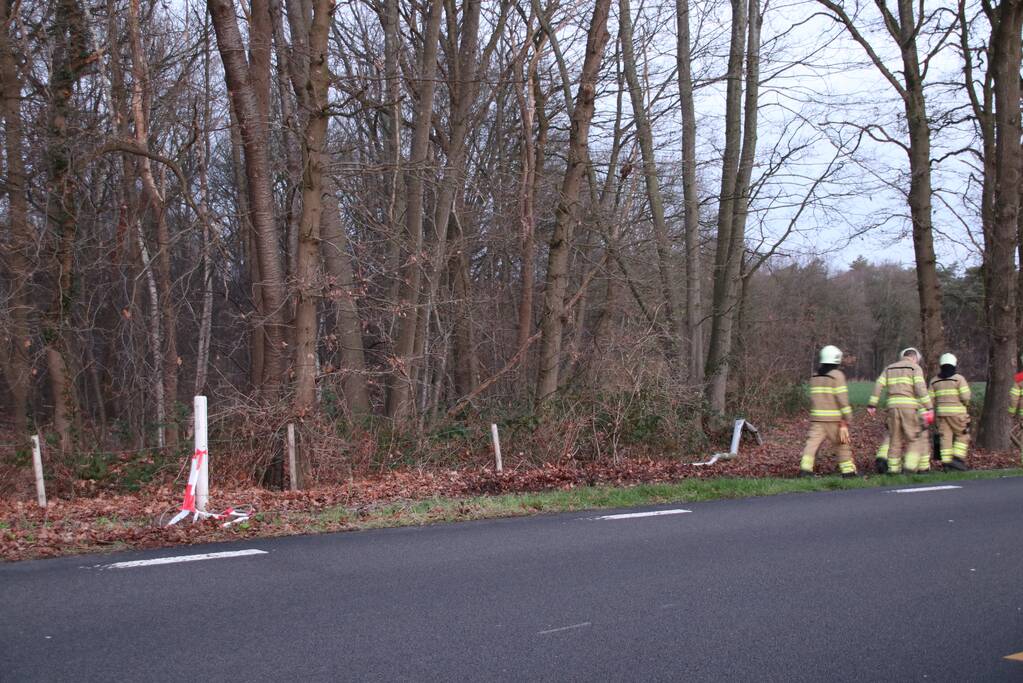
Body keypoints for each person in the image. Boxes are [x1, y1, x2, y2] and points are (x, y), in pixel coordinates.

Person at [868, 347, 934, 474]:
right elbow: (920, 388)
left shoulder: (889, 368)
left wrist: (872, 404)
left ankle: (893, 470)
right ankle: (909, 467)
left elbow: (878, 385)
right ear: (914, 358)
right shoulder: (915, 368)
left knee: (894, 439)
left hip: (892, 408)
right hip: (909, 408)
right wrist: (929, 407)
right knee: (914, 438)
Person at [799, 345, 856, 478]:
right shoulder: (837, 376)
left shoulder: (815, 377)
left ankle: (805, 470)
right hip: (834, 420)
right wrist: (848, 417)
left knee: (811, 445)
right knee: (842, 445)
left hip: (817, 419)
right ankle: (848, 472)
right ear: (836, 359)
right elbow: (842, 400)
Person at [929, 353, 971, 471]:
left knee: (945, 438)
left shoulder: (934, 381)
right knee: (963, 435)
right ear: (954, 364)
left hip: (941, 415)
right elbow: (966, 397)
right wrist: (966, 404)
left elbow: (929, 400)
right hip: (958, 415)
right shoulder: (959, 379)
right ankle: (957, 459)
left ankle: (946, 464)